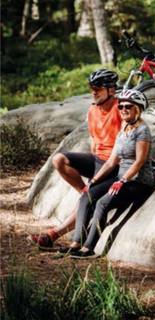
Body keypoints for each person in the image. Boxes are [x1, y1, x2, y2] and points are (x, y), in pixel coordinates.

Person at [29, 69, 122, 251]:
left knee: (88, 197)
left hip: (114, 164)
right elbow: (94, 141)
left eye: (98, 88)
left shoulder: (121, 109)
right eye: (91, 88)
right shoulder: (92, 110)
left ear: (111, 90)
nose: (93, 91)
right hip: (98, 159)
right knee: (59, 160)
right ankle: (85, 197)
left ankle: (52, 235)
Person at [66, 89, 155, 259]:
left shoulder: (142, 130)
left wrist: (122, 181)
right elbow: (111, 161)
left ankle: (89, 249)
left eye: (128, 106)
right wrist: (93, 180)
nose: (123, 110)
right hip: (121, 178)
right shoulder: (123, 130)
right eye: (120, 106)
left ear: (138, 108)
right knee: (87, 196)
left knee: (102, 203)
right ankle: (76, 242)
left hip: (138, 182)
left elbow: (139, 161)